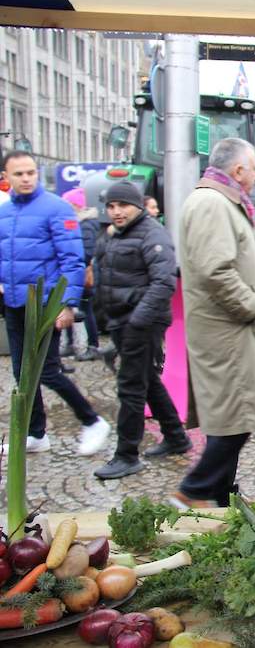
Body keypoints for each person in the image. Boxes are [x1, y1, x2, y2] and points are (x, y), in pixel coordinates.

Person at [174, 138, 255, 508]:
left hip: (232, 332)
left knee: (236, 417)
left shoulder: (223, 201)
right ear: (238, 170)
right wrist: (252, 307)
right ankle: (197, 489)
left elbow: (226, 260)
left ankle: (219, 494)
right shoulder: (212, 203)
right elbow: (215, 270)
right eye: (253, 169)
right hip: (229, 333)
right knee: (235, 418)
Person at [0, 151, 110, 454]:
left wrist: (66, 304)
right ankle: (36, 433)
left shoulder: (57, 208)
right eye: (19, 173)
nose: (25, 178)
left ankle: (93, 421)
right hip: (14, 305)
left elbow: (72, 261)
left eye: (30, 172)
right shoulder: (4, 212)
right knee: (23, 373)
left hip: (46, 305)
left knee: (47, 371)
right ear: (6, 177)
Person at [92, 181, 191, 479]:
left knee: (131, 386)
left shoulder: (152, 234)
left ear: (137, 206)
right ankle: (176, 436)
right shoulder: (114, 234)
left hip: (141, 321)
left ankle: (126, 454)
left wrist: (138, 321)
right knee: (148, 381)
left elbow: (163, 282)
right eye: (111, 206)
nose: (116, 211)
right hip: (122, 319)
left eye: (122, 205)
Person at [60, 187, 99, 361]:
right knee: (66, 305)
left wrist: (75, 265)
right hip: (74, 273)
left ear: (75, 204)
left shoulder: (86, 223)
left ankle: (93, 346)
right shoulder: (74, 222)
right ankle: (70, 344)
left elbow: (87, 251)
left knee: (86, 309)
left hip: (82, 274)